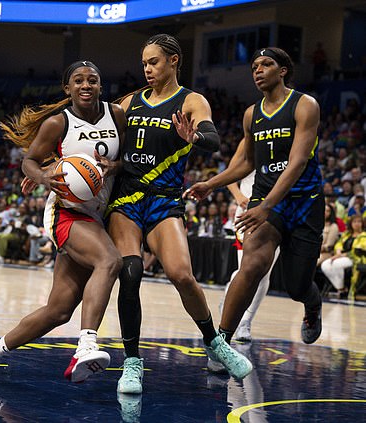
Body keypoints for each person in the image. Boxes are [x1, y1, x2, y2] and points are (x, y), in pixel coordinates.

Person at [0, 60, 125, 383]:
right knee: (109, 261)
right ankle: (86, 346)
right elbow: (29, 161)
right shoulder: (58, 123)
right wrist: (43, 175)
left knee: (57, 311)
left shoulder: (118, 116)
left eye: (93, 80)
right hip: (66, 213)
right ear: (67, 88)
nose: (86, 85)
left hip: (99, 216)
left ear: (101, 86)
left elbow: (125, 159)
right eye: (79, 81)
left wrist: (114, 166)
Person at [106, 34, 252, 394]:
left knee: (182, 275)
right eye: (144, 63)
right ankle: (132, 362)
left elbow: (213, 139)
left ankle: (215, 343)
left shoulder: (191, 100)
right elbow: (91, 126)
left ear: (174, 61)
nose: (147, 69)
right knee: (131, 270)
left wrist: (195, 138)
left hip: (164, 199)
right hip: (127, 198)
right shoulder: (129, 101)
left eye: (153, 61)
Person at [184, 48, 325, 358]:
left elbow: (298, 162)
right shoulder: (251, 114)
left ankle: (312, 304)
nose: (258, 70)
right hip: (265, 198)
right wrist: (212, 183)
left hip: (303, 201)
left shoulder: (305, 105)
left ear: (283, 70)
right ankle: (222, 345)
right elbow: (247, 162)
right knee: (251, 266)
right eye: (254, 66)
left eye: (267, 64)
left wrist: (267, 206)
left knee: (296, 286)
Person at [220, 141, 278, 344]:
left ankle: (246, 320)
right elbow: (231, 173)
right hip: (247, 210)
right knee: (245, 269)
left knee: (264, 273)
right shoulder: (250, 139)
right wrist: (238, 196)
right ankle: (231, 297)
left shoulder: (286, 138)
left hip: (273, 211)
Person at [320, 214, 365, 297]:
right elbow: (339, 244)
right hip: (341, 257)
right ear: (351, 223)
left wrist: (343, 255)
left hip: (356, 258)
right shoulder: (347, 234)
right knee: (325, 264)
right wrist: (338, 251)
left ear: (362, 223)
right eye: (354, 222)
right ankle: (341, 288)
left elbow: (359, 250)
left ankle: (342, 289)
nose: (356, 224)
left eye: (359, 222)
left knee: (336, 264)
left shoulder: (364, 235)